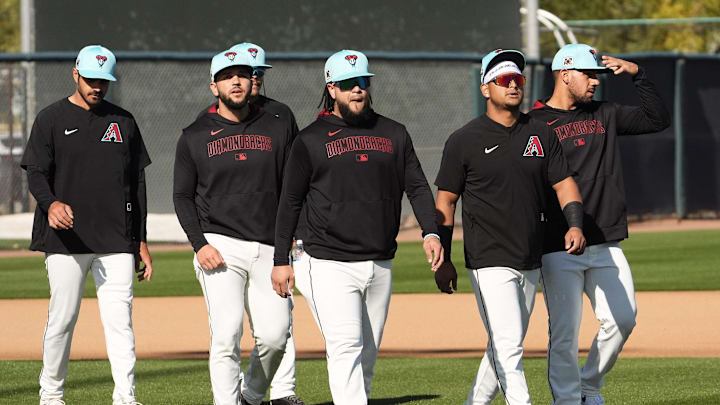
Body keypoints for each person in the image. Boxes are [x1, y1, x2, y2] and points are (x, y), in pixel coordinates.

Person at [270, 50, 443, 405]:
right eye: (348, 84)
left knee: (367, 354)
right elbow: (289, 201)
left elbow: (418, 187)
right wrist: (280, 259)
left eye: (363, 82)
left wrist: (431, 231)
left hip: (379, 261)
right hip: (327, 261)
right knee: (346, 346)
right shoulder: (310, 140)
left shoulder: (394, 133)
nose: (358, 90)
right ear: (332, 88)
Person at [433, 49, 586, 405]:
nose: (514, 85)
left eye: (518, 78)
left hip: (530, 257)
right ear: (486, 88)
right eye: (504, 79)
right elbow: (446, 202)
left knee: (503, 343)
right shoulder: (464, 139)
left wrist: (575, 224)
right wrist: (444, 260)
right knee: (509, 347)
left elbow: (564, 185)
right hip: (488, 258)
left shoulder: (541, 133)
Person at [528, 43, 671, 405]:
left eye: (598, 74)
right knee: (564, 334)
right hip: (558, 245)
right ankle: (567, 399)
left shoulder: (605, 114)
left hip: (606, 238)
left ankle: (589, 384)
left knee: (623, 319)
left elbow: (658, 119)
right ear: (564, 74)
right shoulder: (534, 122)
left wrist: (639, 75)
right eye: (588, 74)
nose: (595, 82)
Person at [21, 45, 152, 405]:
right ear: (75, 74)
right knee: (62, 318)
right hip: (66, 238)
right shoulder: (50, 118)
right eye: (91, 79)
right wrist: (50, 203)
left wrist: (140, 239)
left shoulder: (123, 121)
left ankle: (126, 398)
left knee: (120, 323)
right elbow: (36, 173)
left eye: (104, 81)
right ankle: (51, 395)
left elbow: (136, 182)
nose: (98, 86)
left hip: (116, 239)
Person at [173, 48, 295, 405]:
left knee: (275, 335)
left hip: (271, 245)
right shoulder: (194, 135)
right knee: (227, 336)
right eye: (227, 76)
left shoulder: (276, 122)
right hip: (220, 245)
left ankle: (252, 395)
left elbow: (293, 186)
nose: (236, 81)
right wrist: (200, 244)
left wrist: (288, 244)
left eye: (242, 74)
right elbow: (182, 197)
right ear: (214, 86)